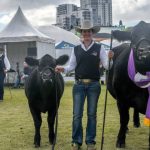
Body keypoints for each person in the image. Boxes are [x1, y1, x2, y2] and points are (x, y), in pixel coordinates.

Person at [55, 20, 114, 150]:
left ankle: (90, 142)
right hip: (78, 86)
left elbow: (107, 66)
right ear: (81, 33)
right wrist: (62, 69)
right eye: (84, 31)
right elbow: (71, 66)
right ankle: (76, 141)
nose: (86, 33)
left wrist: (111, 58)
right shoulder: (76, 49)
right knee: (77, 115)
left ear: (92, 33)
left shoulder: (100, 48)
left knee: (92, 114)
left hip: (94, 85)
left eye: (88, 31)